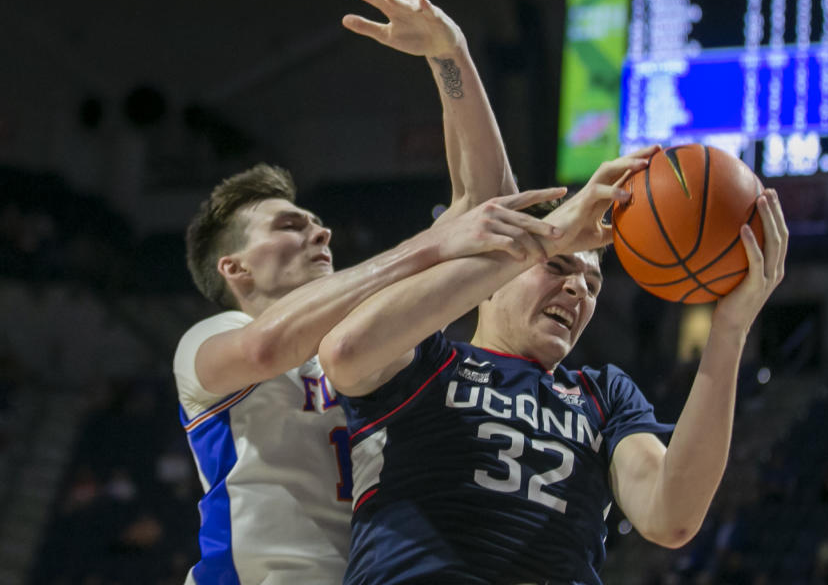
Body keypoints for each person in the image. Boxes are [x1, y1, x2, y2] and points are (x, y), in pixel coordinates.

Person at [172, 0, 548, 584]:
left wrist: (450, 55)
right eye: (291, 225)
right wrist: (432, 245)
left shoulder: (370, 323)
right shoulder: (209, 340)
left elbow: (488, 206)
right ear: (234, 268)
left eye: (319, 224)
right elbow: (270, 348)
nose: (320, 234)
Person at [318, 153, 789, 584]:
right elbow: (344, 352)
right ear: (492, 280)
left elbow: (671, 517)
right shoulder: (427, 360)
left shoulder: (604, 394)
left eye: (592, 282)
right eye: (557, 266)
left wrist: (730, 330)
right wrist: (533, 243)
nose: (579, 289)